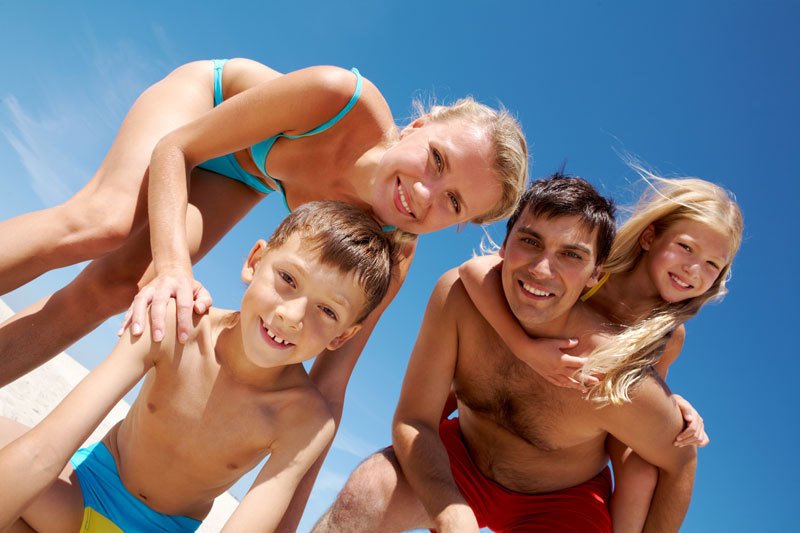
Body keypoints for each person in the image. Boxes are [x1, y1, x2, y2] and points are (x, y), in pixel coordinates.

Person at [0, 58, 527, 527]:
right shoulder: (339, 97)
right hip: (203, 117)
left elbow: (331, 389)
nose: (425, 194)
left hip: (252, 174)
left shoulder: (393, 252)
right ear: (418, 126)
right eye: (437, 160)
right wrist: (173, 270)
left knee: (113, 286)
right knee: (105, 223)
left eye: (454, 202)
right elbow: (177, 148)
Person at [314, 175, 696, 533]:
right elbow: (414, 421)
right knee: (363, 495)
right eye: (530, 241)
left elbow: (680, 462)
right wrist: (449, 507)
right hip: (457, 461)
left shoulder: (610, 370)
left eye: (572, 256)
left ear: (596, 275)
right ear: (505, 244)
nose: (542, 269)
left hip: (562, 503)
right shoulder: (460, 297)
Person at [0, 201, 395, 532]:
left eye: (327, 310)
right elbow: (43, 452)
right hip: (76, 493)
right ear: (254, 262)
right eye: (288, 278)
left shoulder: (305, 421)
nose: (292, 315)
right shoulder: (174, 322)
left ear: (341, 337)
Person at [457, 170, 742, 531]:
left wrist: (673, 404)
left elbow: (639, 396)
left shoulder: (669, 336)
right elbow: (473, 270)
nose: (693, 269)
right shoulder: (594, 271)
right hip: (503, 378)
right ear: (650, 236)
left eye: (712, 266)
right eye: (686, 247)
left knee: (640, 472)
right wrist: (526, 348)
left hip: (579, 422)